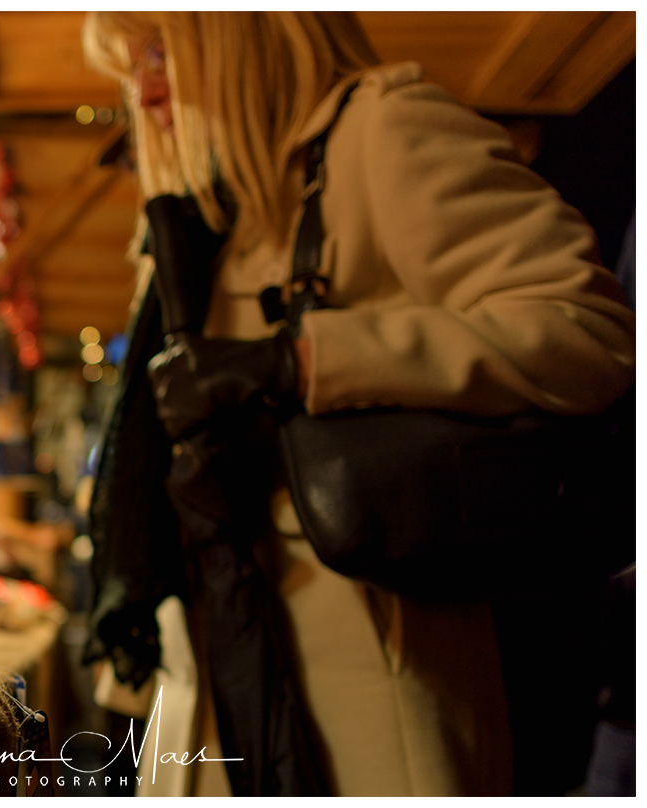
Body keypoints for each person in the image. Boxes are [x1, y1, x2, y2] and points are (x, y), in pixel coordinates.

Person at [80, 11, 635, 797]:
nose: (144, 87)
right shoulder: (203, 215)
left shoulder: (383, 129)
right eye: (129, 63)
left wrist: (305, 358)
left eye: (160, 48)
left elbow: (587, 329)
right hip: (216, 668)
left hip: (369, 682)